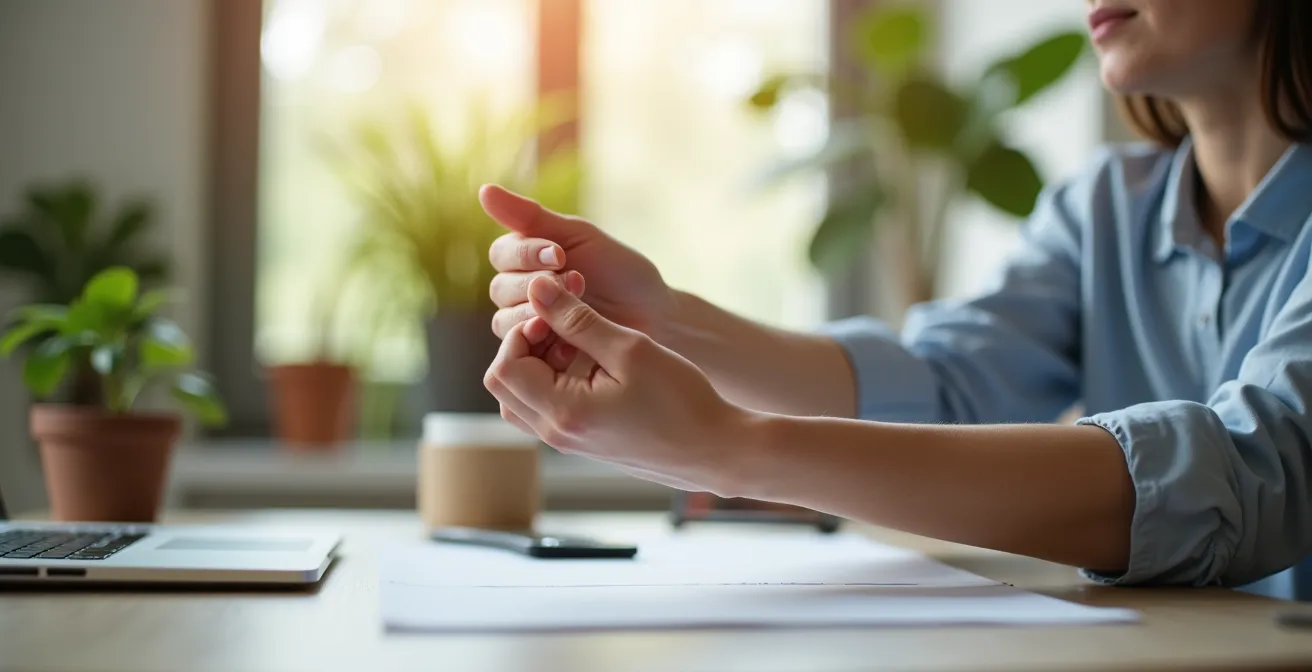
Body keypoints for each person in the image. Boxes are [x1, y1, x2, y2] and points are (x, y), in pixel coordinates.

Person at [478, 0, 1312, 587]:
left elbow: (1252, 469)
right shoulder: (1104, 208)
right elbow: (942, 383)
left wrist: (730, 447)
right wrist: (660, 317)